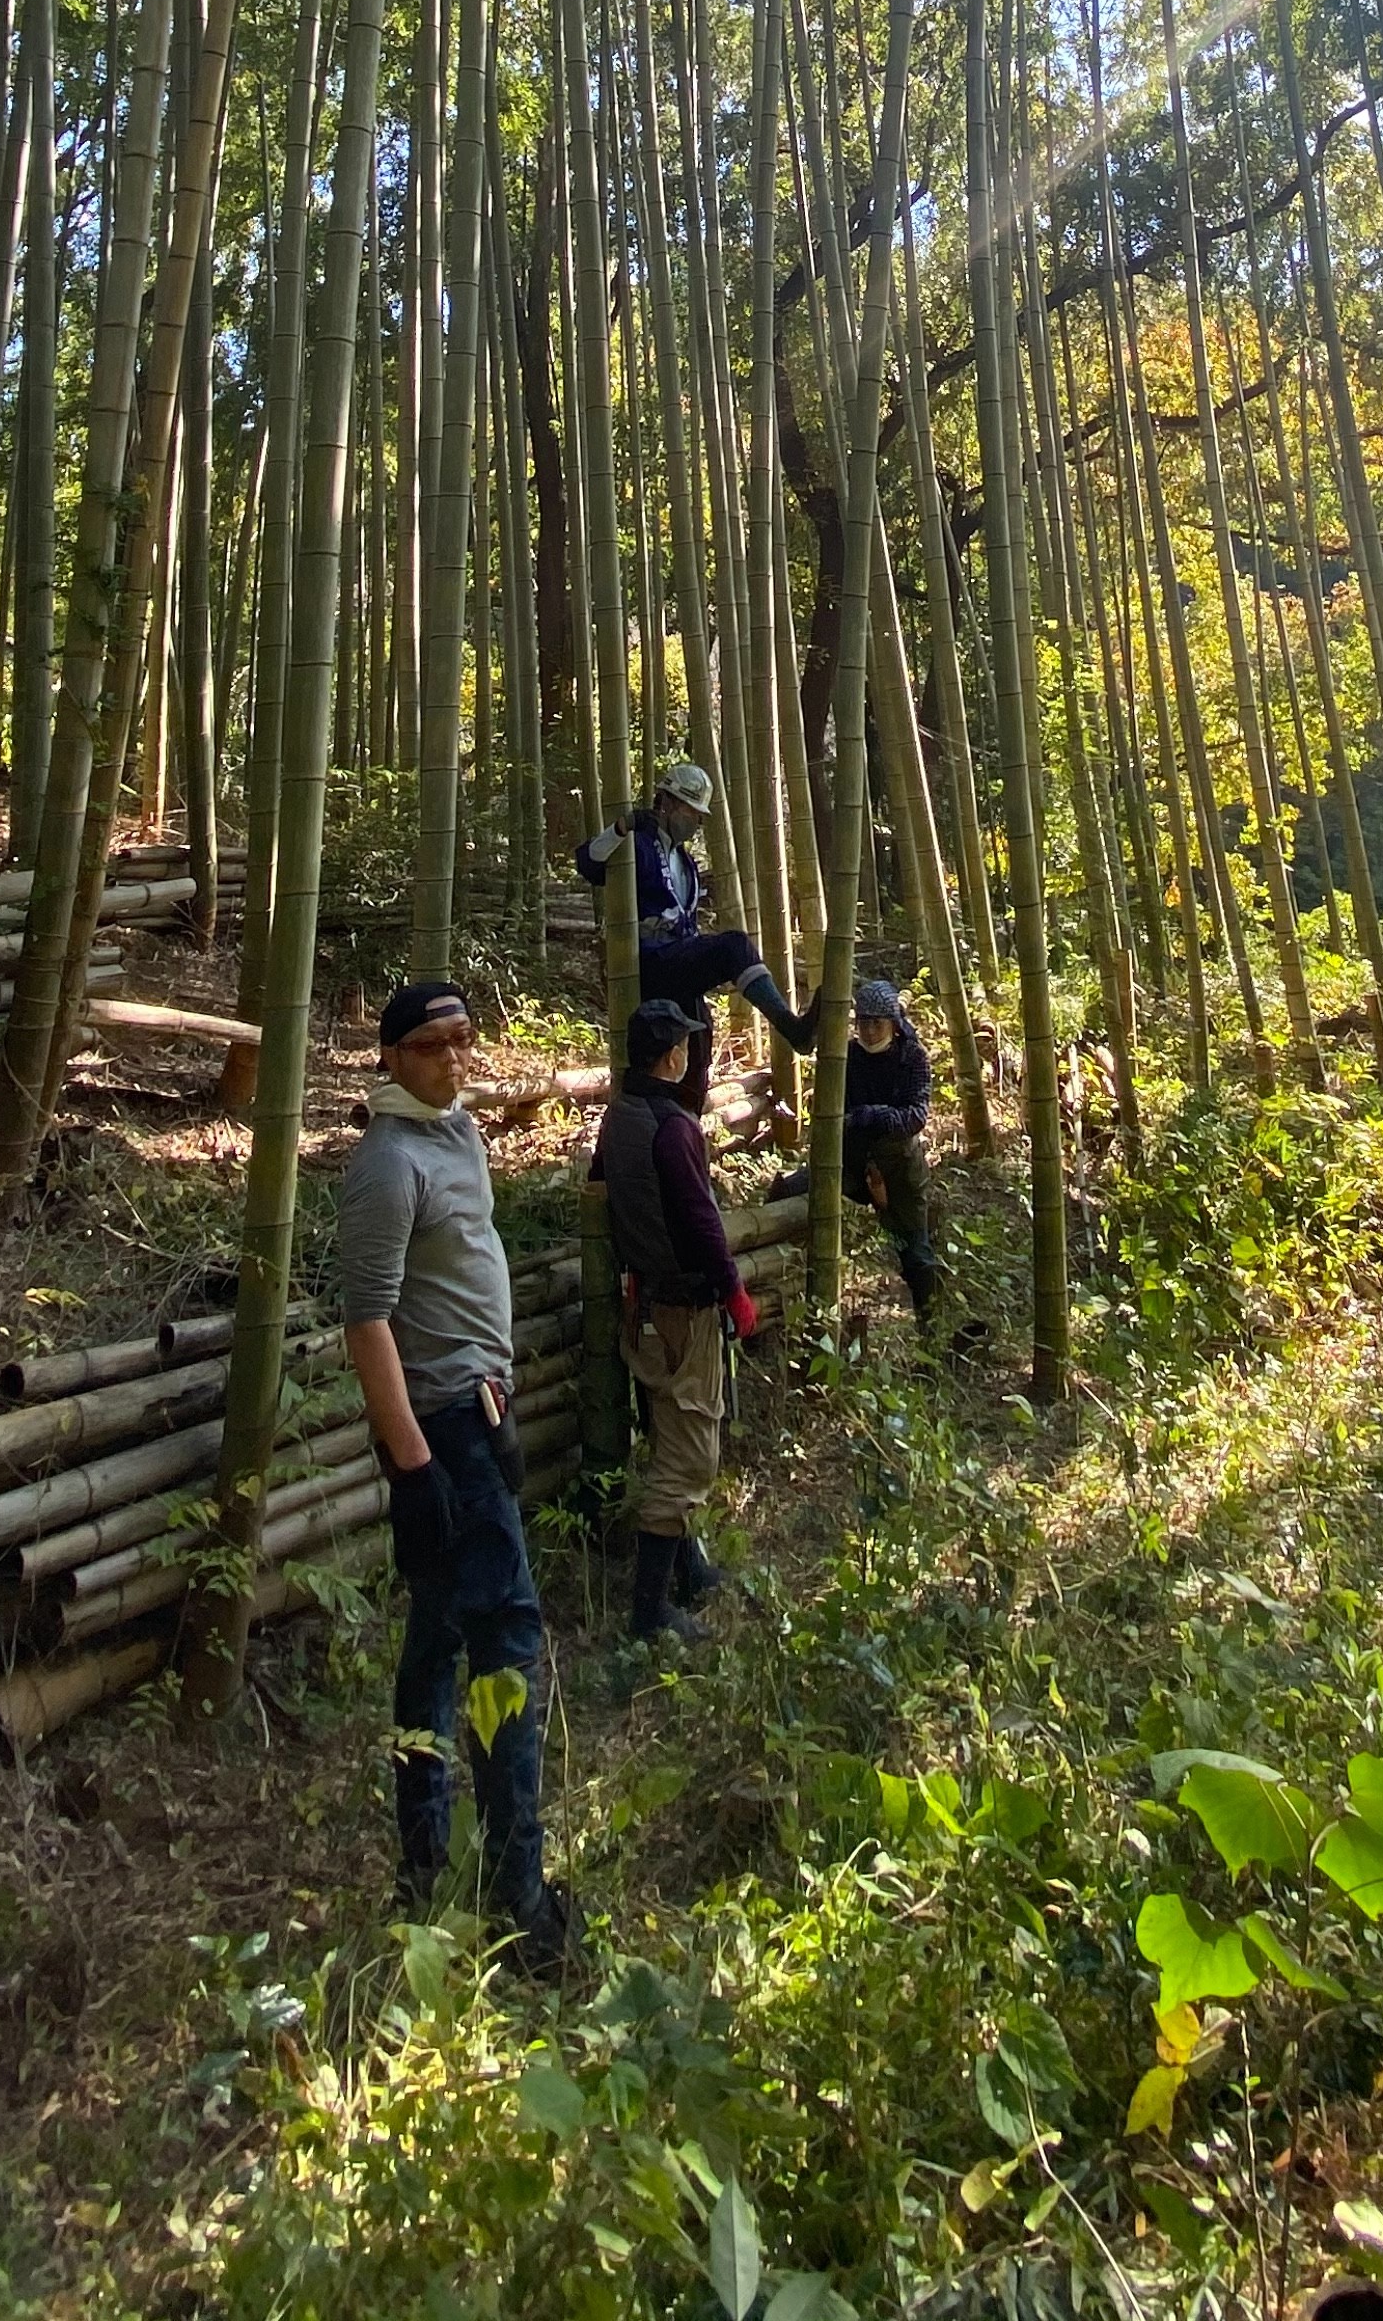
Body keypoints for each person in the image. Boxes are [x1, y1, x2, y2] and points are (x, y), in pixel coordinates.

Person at [338, 971, 572, 1971]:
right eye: (435, 1044)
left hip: (481, 1415)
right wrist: (414, 1464)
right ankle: (518, 1886)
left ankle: (426, 1861)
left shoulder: (460, 1137)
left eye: (466, 1038)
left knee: (437, 1636)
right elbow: (367, 1320)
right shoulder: (386, 1164)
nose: (455, 1056)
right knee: (504, 1638)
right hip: (442, 1433)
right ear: (392, 1057)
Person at [590, 996, 761, 1646]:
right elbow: (700, 1222)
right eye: (684, 1045)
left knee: (668, 1436)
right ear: (672, 1056)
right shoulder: (673, 1127)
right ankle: (649, 1613)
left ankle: (689, 1572)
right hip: (681, 1310)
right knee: (688, 1455)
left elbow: (602, 1186)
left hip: (643, 1307)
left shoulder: (621, 1116)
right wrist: (734, 1294)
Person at [574, 754, 813, 1103]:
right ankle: (790, 1026)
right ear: (667, 803)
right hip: (647, 963)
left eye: (700, 815)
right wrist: (621, 828)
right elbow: (588, 863)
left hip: (677, 964)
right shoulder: (637, 844)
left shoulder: (685, 861)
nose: (696, 821)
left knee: (698, 1033)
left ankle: (687, 1117)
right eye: (691, 811)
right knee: (733, 945)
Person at [843, 975, 940, 1321]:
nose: (869, 1031)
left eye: (877, 1023)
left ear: (893, 1024)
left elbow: (915, 1116)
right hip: (852, 1163)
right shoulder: (848, 1056)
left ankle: (930, 1327)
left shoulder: (911, 1057)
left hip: (899, 1166)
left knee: (915, 1249)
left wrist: (877, 1116)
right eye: (863, 1022)